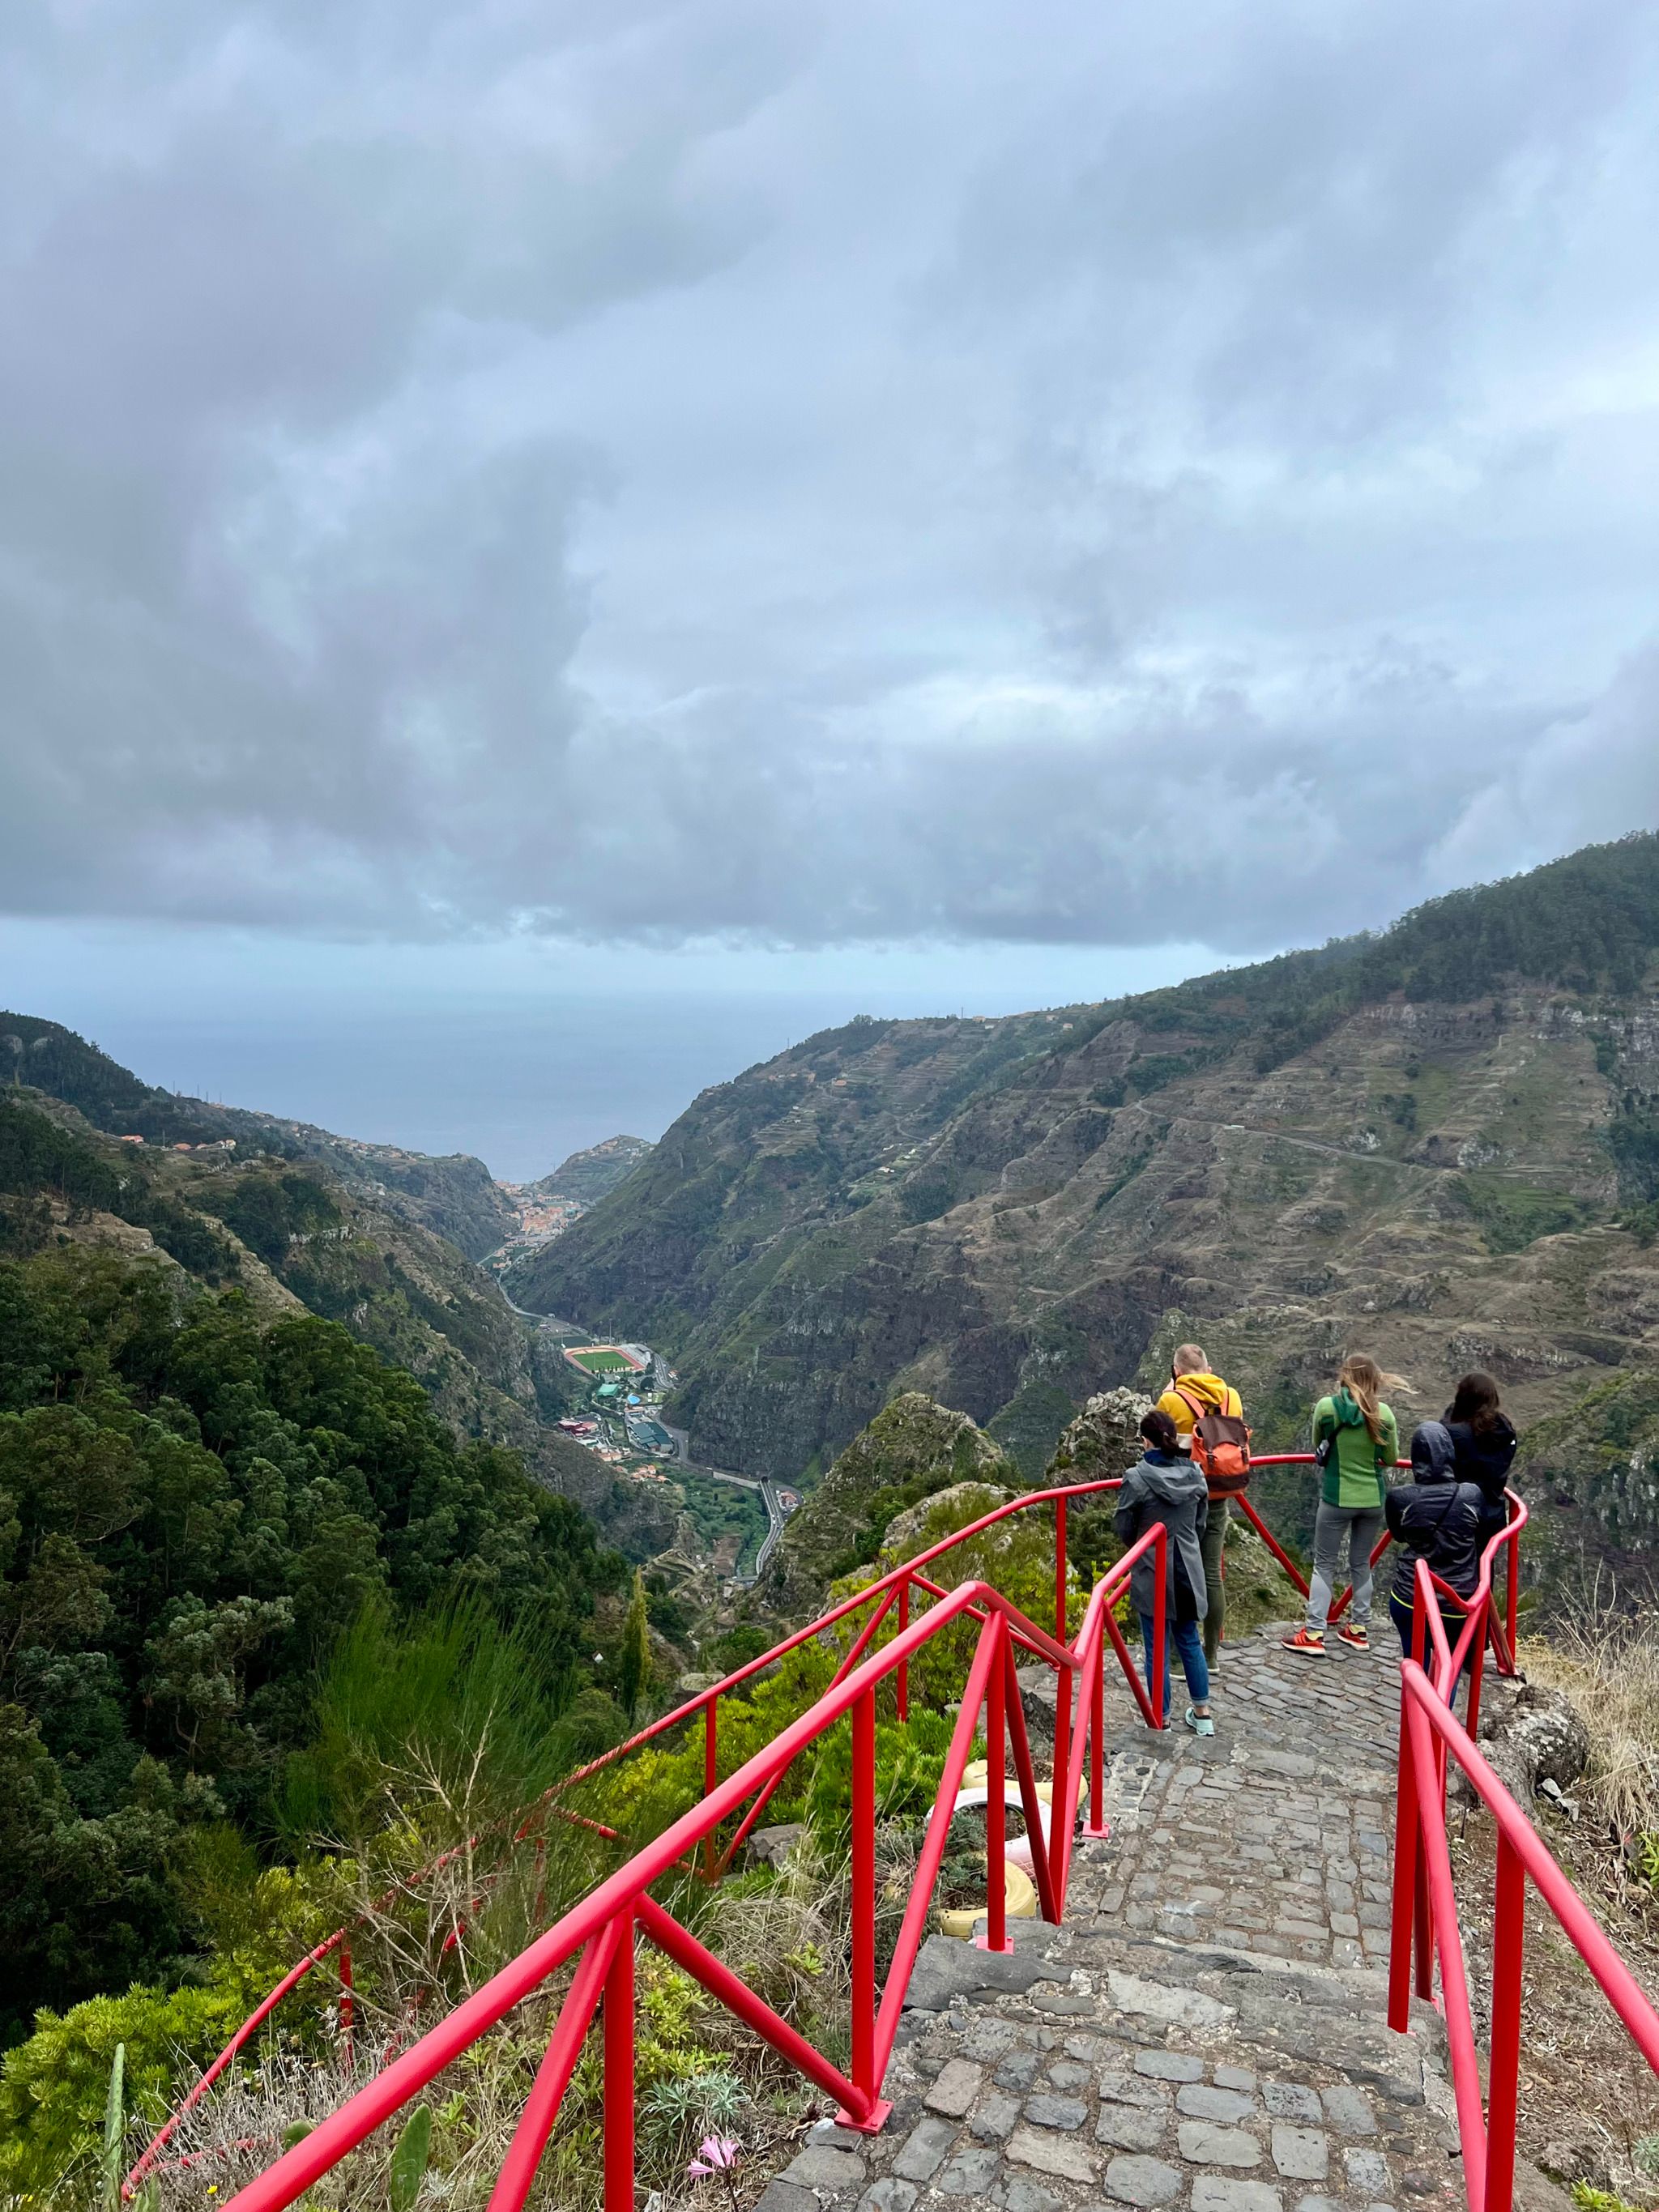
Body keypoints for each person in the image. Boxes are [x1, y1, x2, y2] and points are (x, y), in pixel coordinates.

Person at [1282, 1355, 1399, 1656]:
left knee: (1324, 1565)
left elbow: (1317, 1445)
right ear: (1374, 1378)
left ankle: (1314, 1633)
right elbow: (1389, 1459)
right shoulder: (1383, 1413)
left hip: (1336, 1498)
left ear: (1345, 1377)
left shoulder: (1326, 1408)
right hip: (1373, 1500)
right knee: (1361, 1563)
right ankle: (1359, 1630)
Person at [1115, 1407, 1214, 1734]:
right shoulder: (1196, 1474)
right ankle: (1203, 1715)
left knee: (1156, 1646)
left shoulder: (1137, 1478)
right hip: (1188, 1568)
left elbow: (1125, 1527)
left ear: (1146, 1441)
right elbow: (1201, 1523)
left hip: (1153, 1571)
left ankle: (1163, 1718)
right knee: (1189, 1640)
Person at [1156, 1343, 1246, 1670]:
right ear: (1208, 1370)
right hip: (1219, 1494)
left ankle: (1180, 1660)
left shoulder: (1171, 1399)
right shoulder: (1230, 1396)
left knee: (1181, 1574)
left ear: (1177, 1372)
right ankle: (1210, 1656)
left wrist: (1172, 1390)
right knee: (1211, 1574)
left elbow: (1157, 1444)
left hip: (1182, 1499)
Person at [1384, 1419, 1484, 1669]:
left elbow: (1399, 1535)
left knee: (1415, 1664)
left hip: (1411, 1595)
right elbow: (1476, 1529)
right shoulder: (1471, 1494)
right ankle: (1440, 1707)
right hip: (1457, 1599)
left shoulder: (1400, 1499)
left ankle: (1414, 1705)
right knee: (1449, 1668)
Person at [1443, 1370, 1518, 1553]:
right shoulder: (1505, 1432)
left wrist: (1451, 1414)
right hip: (1492, 1515)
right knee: (1484, 1568)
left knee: (1454, 1571)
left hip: (1458, 1515)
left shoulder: (1457, 1435)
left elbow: (1441, 1443)